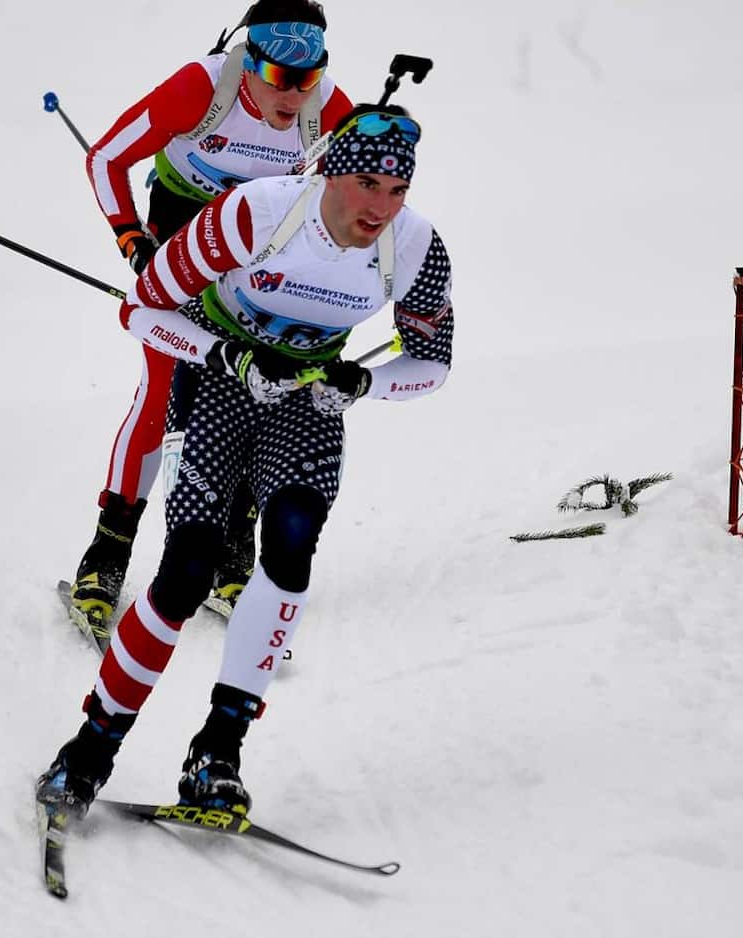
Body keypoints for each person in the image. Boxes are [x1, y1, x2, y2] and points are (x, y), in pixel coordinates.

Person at [36, 103, 454, 817]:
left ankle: (217, 753)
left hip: (309, 397)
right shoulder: (253, 214)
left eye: (397, 193)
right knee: (189, 566)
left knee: (290, 545)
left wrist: (361, 382)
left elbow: (433, 364)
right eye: (367, 187)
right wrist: (225, 351)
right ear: (329, 173)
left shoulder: (416, 247)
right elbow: (141, 310)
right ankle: (89, 750)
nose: (381, 208)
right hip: (218, 380)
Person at [69, 0, 355, 646]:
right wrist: (133, 243)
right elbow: (105, 160)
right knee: (166, 388)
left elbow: (366, 193)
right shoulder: (203, 87)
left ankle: (233, 550)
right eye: (280, 78)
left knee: (257, 387)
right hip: (179, 236)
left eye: (307, 79)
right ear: (249, 63)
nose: (294, 95)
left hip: (257, 248)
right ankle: (107, 554)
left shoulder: (327, 106)